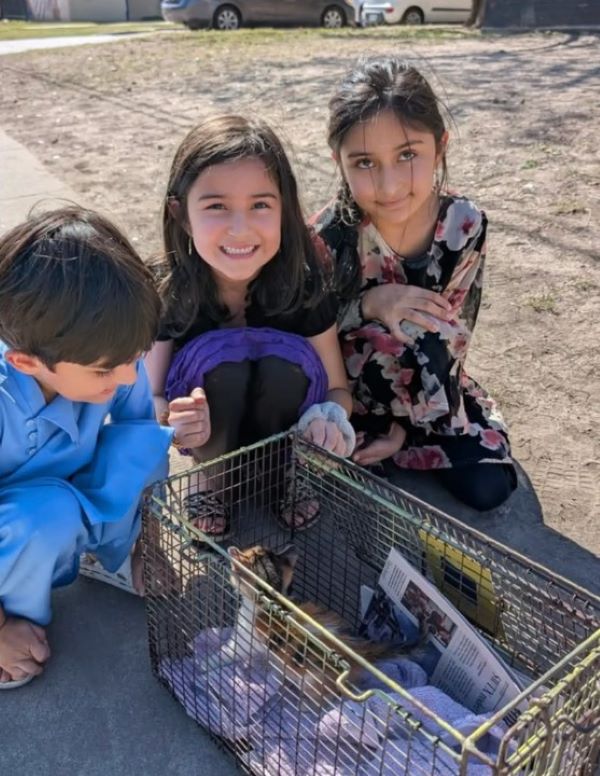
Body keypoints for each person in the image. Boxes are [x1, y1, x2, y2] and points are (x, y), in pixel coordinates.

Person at [311, 56, 516, 511]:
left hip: (426, 384)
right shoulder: (327, 237)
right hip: (348, 391)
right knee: (323, 466)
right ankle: (375, 442)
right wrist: (370, 303)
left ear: (439, 147)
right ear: (338, 161)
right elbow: (311, 334)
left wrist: (404, 428)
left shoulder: (464, 225)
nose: (389, 185)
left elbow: (448, 336)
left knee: (490, 488)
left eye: (408, 155)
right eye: (364, 162)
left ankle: (398, 442)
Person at [145, 114, 355, 538]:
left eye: (260, 204)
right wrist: (174, 420)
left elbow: (338, 389)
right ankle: (212, 481)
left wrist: (328, 421)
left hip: (287, 439)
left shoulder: (304, 280)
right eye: (216, 206)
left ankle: (284, 477)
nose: (239, 229)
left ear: (284, 207)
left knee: (282, 366)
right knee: (226, 368)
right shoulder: (166, 288)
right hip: (211, 443)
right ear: (181, 215)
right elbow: (148, 398)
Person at [0, 206, 172, 689]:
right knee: (49, 512)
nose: (123, 377)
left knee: (142, 443)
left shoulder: (114, 356)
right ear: (26, 361)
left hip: (53, 503)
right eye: (104, 369)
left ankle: (102, 554)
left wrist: (145, 545)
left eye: (133, 359)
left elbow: (142, 443)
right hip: (22, 518)